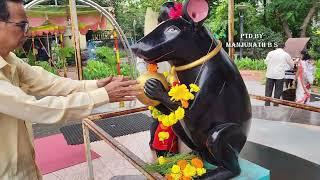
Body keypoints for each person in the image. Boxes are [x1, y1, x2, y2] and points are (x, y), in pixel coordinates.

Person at [0, 0, 142, 179]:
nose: (26, 33)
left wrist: (95, 85)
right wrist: (103, 95)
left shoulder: (10, 59)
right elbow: (36, 109)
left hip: (26, 169)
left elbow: (49, 82)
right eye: (22, 25)